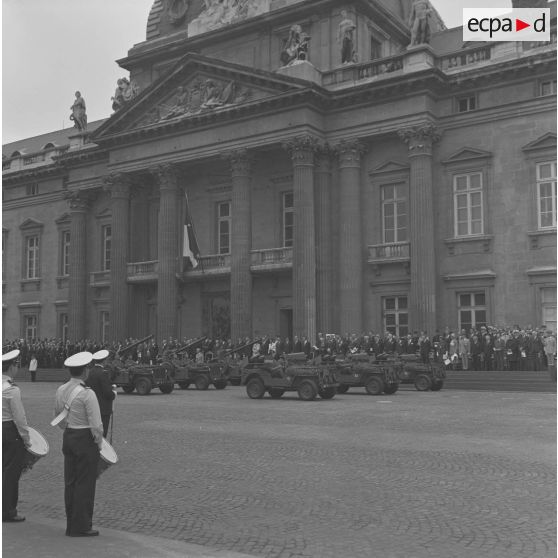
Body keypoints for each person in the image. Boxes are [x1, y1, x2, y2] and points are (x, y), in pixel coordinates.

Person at [54, 352, 103, 537]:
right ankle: (81, 526)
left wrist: (67, 428)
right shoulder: (87, 393)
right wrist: (98, 444)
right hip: (84, 438)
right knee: (85, 484)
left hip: (69, 435)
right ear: (85, 371)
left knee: (71, 482)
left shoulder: (61, 390)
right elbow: (97, 425)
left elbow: (58, 416)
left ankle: (71, 523)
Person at [3, 350, 31, 523]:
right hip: (9, 431)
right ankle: (8, 511)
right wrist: (26, 438)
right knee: (10, 474)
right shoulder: (12, 389)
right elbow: (19, 418)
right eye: (16, 366)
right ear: (11, 368)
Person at [86, 350, 116, 438]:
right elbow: (107, 393)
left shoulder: (91, 372)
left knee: (93, 433)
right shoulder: (103, 373)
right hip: (103, 408)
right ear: (104, 361)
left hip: (93, 406)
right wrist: (113, 393)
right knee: (102, 434)